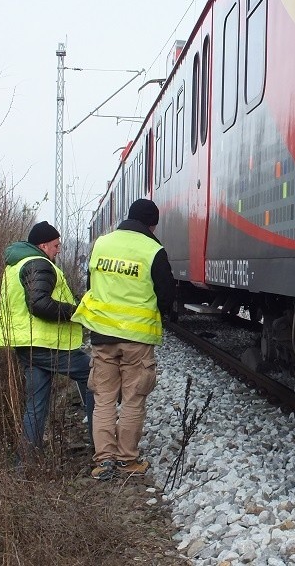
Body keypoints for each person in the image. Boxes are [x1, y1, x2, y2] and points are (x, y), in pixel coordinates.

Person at [72, 198, 175, 481]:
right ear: (151, 224)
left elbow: (91, 285)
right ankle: (126, 460)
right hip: (137, 339)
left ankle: (103, 461)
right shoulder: (154, 250)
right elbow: (167, 296)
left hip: (102, 336)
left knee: (103, 399)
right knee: (133, 399)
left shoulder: (101, 245)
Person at [0, 220, 94, 460]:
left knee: (36, 404)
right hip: (44, 344)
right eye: (56, 245)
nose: (59, 249)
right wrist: (76, 311)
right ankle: (101, 445)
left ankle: (26, 463)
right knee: (93, 375)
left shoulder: (16, 264)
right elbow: (39, 304)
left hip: (26, 343)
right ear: (43, 245)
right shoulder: (39, 264)